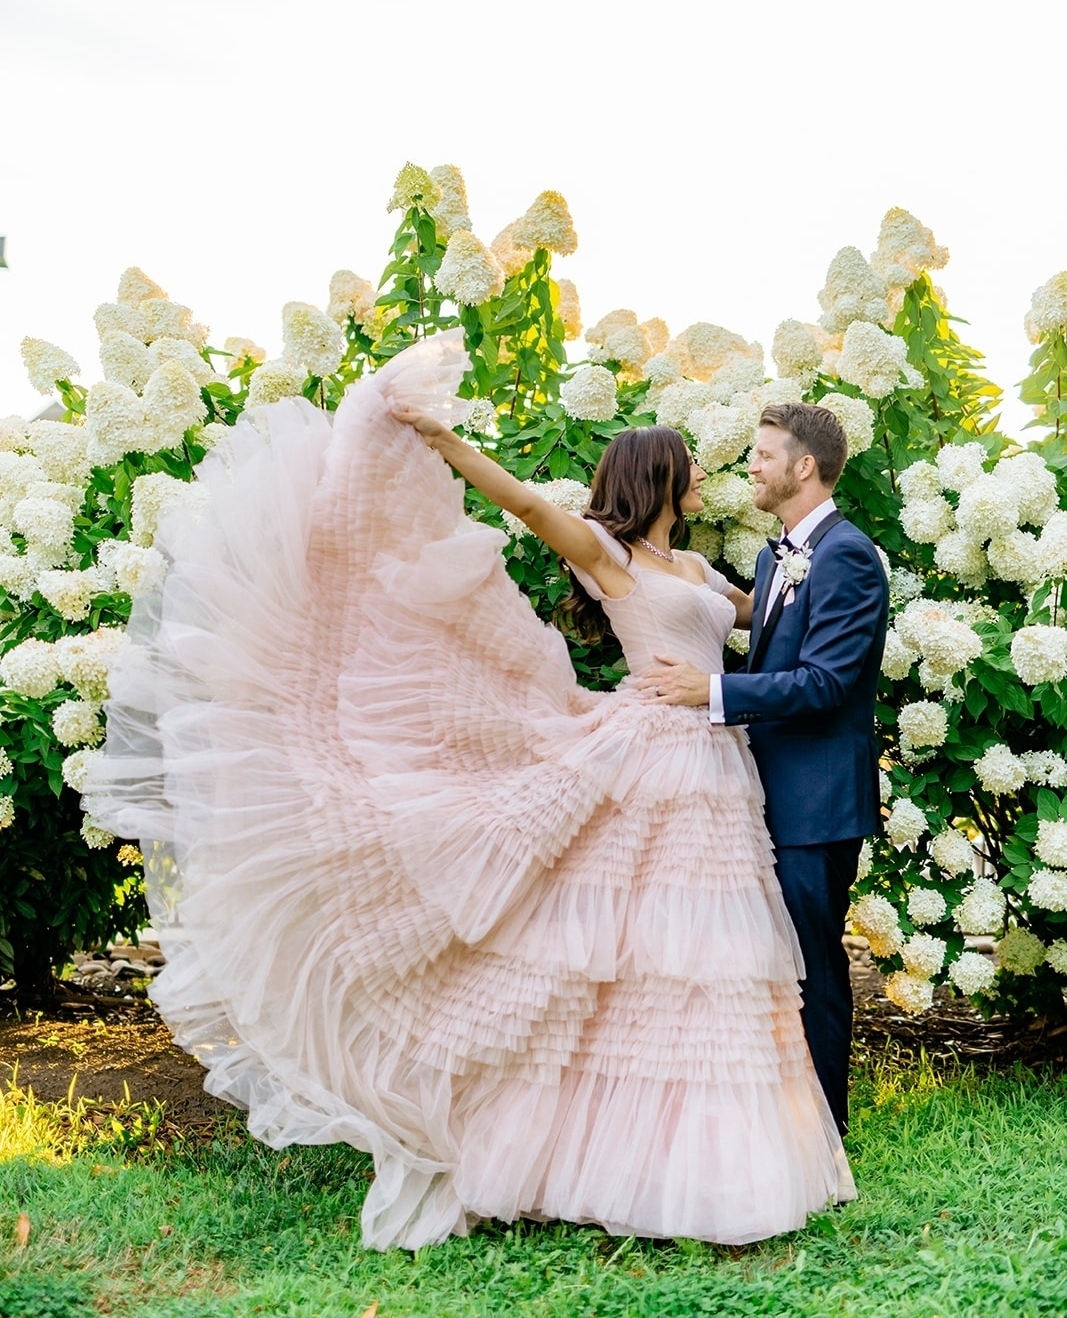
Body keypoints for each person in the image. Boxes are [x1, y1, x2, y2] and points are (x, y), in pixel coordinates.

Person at [86, 331, 854, 1252]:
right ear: (655, 478)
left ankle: (716, 1156)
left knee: (700, 965)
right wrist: (444, 445)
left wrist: (832, 582)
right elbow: (527, 504)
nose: (704, 481)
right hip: (646, 755)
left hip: (715, 765)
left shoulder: (700, 570)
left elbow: (773, 617)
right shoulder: (609, 556)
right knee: (629, 957)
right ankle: (590, 1153)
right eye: (688, 471)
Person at [640, 402, 889, 1135]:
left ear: (802, 466)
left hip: (815, 801)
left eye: (761, 454)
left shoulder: (846, 554)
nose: (748, 465)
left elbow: (825, 683)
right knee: (769, 962)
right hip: (765, 792)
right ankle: (773, 1123)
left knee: (810, 963)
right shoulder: (772, 555)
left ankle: (823, 1131)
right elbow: (779, 636)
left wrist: (709, 690)